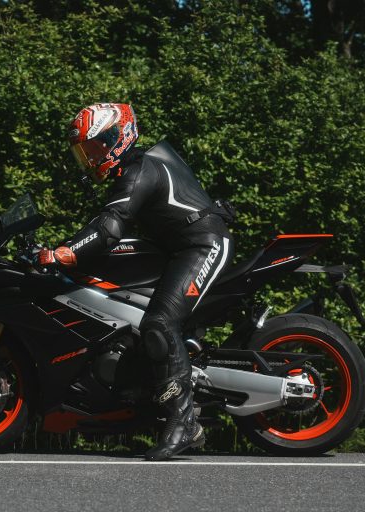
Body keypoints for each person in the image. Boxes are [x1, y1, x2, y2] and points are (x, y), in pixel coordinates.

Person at [38, 103, 234, 461]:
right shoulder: (131, 171)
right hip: (177, 249)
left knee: (159, 324)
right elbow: (106, 225)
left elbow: (109, 226)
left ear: (119, 137)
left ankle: (184, 423)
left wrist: (63, 253)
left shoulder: (140, 169)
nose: (91, 157)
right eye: (86, 151)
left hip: (202, 245)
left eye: (95, 147)